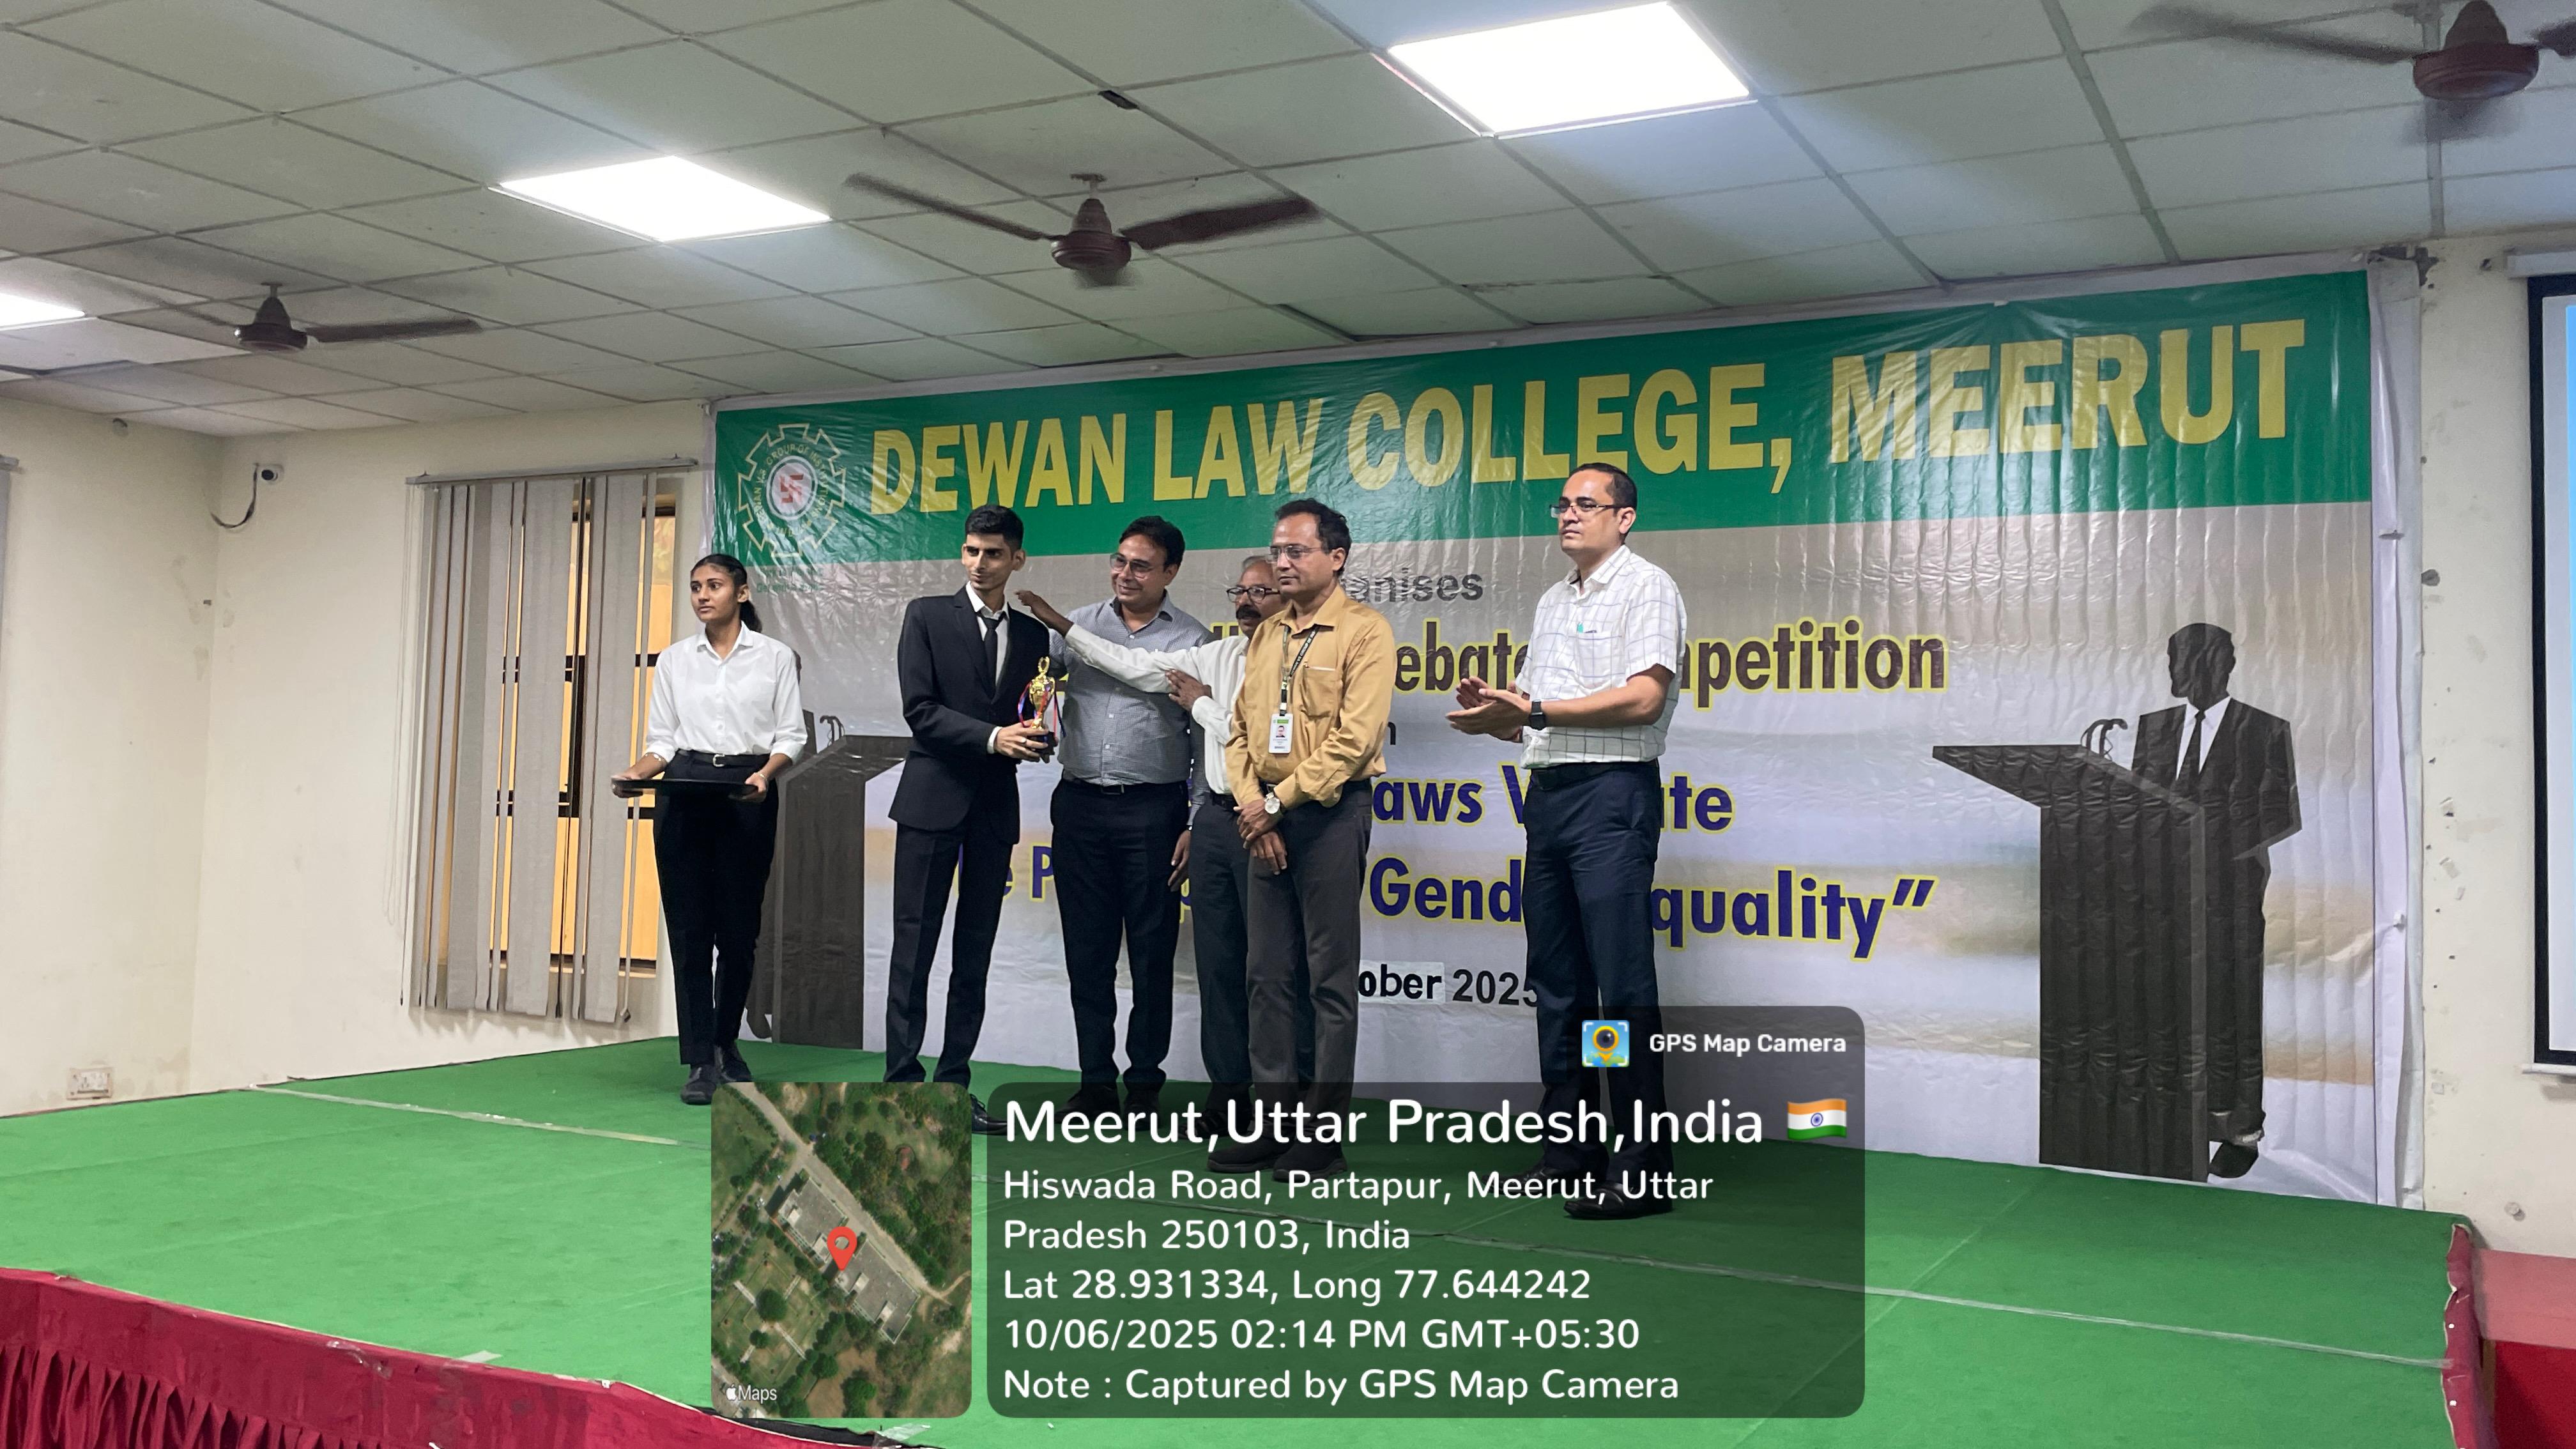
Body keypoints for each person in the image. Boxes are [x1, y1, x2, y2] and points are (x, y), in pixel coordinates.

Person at [1448, 463, 1686, 1219]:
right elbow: (1533, 714)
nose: (1569, 515)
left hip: (1612, 798)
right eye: (1563, 505)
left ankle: (1642, 1167)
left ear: (1625, 518)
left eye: (1587, 504)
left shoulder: (1648, 587)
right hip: (1548, 799)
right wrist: (1498, 711)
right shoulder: (1554, 600)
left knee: (1620, 987)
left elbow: (1644, 698)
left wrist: (1537, 710)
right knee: (1558, 982)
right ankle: (1570, 1152)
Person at [1018, 555, 1307, 1149]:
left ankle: (1285, 1106)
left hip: (1264, 816)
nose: (1247, 602)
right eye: (1241, 591)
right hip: (1194, 818)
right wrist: (1064, 627)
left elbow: (1260, 743)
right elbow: (1133, 666)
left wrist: (1201, 708)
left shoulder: (1296, 660)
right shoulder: (1217, 654)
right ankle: (1221, 1096)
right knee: (1216, 967)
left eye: (1262, 592)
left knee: (1271, 970)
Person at [1209, 500, 1395, 1181]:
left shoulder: (1365, 631)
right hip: (1262, 815)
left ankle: (1322, 1137)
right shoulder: (1267, 634)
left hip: (1329, 815)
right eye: (1276, 551)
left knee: (1329, 980)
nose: (1281, 563)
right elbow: (1238, 730)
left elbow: (1355, 741)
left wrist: (1275, 804)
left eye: (1296, 552)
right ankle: (1273, 1125)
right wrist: (1252, 805)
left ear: (1336, 558)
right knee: (1266, 977)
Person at [1030, 517, 1211, 1120]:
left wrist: (1195, 820)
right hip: (1080, 805)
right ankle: (1096, 1083)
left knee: (1153, 954)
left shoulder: (1192, 638)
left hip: (1155, 812)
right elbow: (1037, 687)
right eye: (1119, 561)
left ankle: (1145, 1085)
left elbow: (1204, 737)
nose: (1125, 574)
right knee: (1088, 952)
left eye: (1141, 566)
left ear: (1170, 572)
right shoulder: (1078, 625)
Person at [611, 553, 805, 1107]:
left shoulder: (775, 657)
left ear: (741, 593)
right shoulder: (675, 659)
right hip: (685, 788)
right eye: (696, 587)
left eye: (714, 585)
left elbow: (791, 736)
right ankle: (700, 1058)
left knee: (738, 934)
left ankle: (726, 1043)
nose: (702, 595)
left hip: (747, 789)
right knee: (690, 931)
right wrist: (636, 773)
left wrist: (766, 775)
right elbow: (662, 741)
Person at [886, 505, 1052, 1137]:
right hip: (930, 800)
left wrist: (1034, 737)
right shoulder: (927, 615)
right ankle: (902, 1088)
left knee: (974, 953)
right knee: (914, 948)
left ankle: (953, 1087)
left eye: (994, 553)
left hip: (993, 808)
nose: (980, 564)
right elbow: (919, 710)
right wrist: (993, 738)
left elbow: (1030, 714)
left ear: (1017, 559)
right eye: (972, 551)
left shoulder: (1033, 637)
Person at [2129, 622, 2299, 1179]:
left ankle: (2239, 1128)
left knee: (2230, 1012)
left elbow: (2280, 813)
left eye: (2181, 661)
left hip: (2229, 900)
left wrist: (2206, 847)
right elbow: (2137, 805)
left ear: (2218, 665)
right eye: (2171, 660)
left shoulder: (2264, 729)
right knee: (2167, 1009)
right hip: (2165, 900)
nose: (2173, 672)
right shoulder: (2154, 728)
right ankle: (2177, 1118)